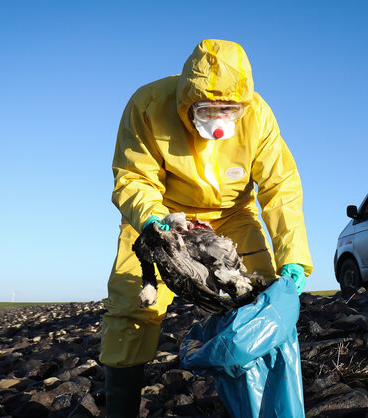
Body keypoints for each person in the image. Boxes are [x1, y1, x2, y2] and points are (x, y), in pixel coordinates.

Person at [99, 39, 313, 417]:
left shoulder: (259, 117)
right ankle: (120, 408)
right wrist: (152, 219)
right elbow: (133, 176)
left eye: (229, 109)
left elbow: (281, 189)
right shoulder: (148, 105)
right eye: (207, 109)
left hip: (233, 215)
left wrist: (294, 260)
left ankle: (257, 401)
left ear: (243, 105)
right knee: (132, 307)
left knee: (259, 297)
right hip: (162, 216)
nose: (218, 120)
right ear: (186, 101)